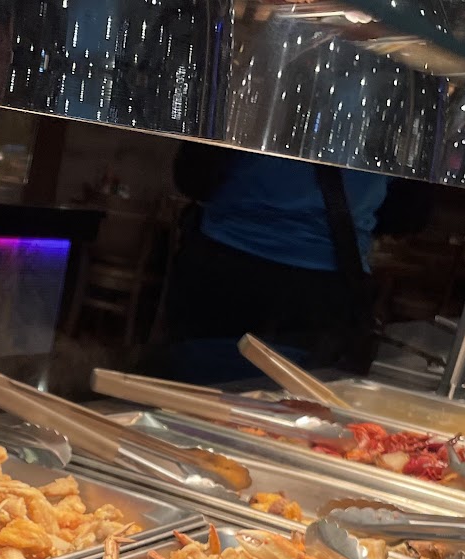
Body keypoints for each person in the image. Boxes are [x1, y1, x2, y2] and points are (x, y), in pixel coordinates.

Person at [163, 146, 430, 384]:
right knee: (300, 409)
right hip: (327, 284)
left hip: (226, 268)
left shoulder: (252, 101)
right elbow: (407, 214)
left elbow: (192, 177)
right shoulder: (398, 106)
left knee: (190, 394)